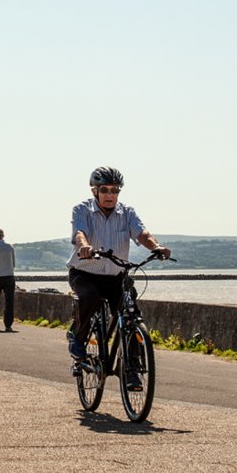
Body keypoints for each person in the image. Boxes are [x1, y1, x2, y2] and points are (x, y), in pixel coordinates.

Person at [66, 166, 171, 387]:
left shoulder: (127, 212)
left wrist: (156, 247)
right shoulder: (82, 210)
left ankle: (132, 369)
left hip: (116, 276)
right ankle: (78, 336)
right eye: (105, 190)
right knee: (90, 299)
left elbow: (142, 233)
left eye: (115, 190)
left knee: (131, 315)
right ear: (95, 191)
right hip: (85, 273)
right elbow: (79, 233)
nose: (110, 195)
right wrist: (85, 246)